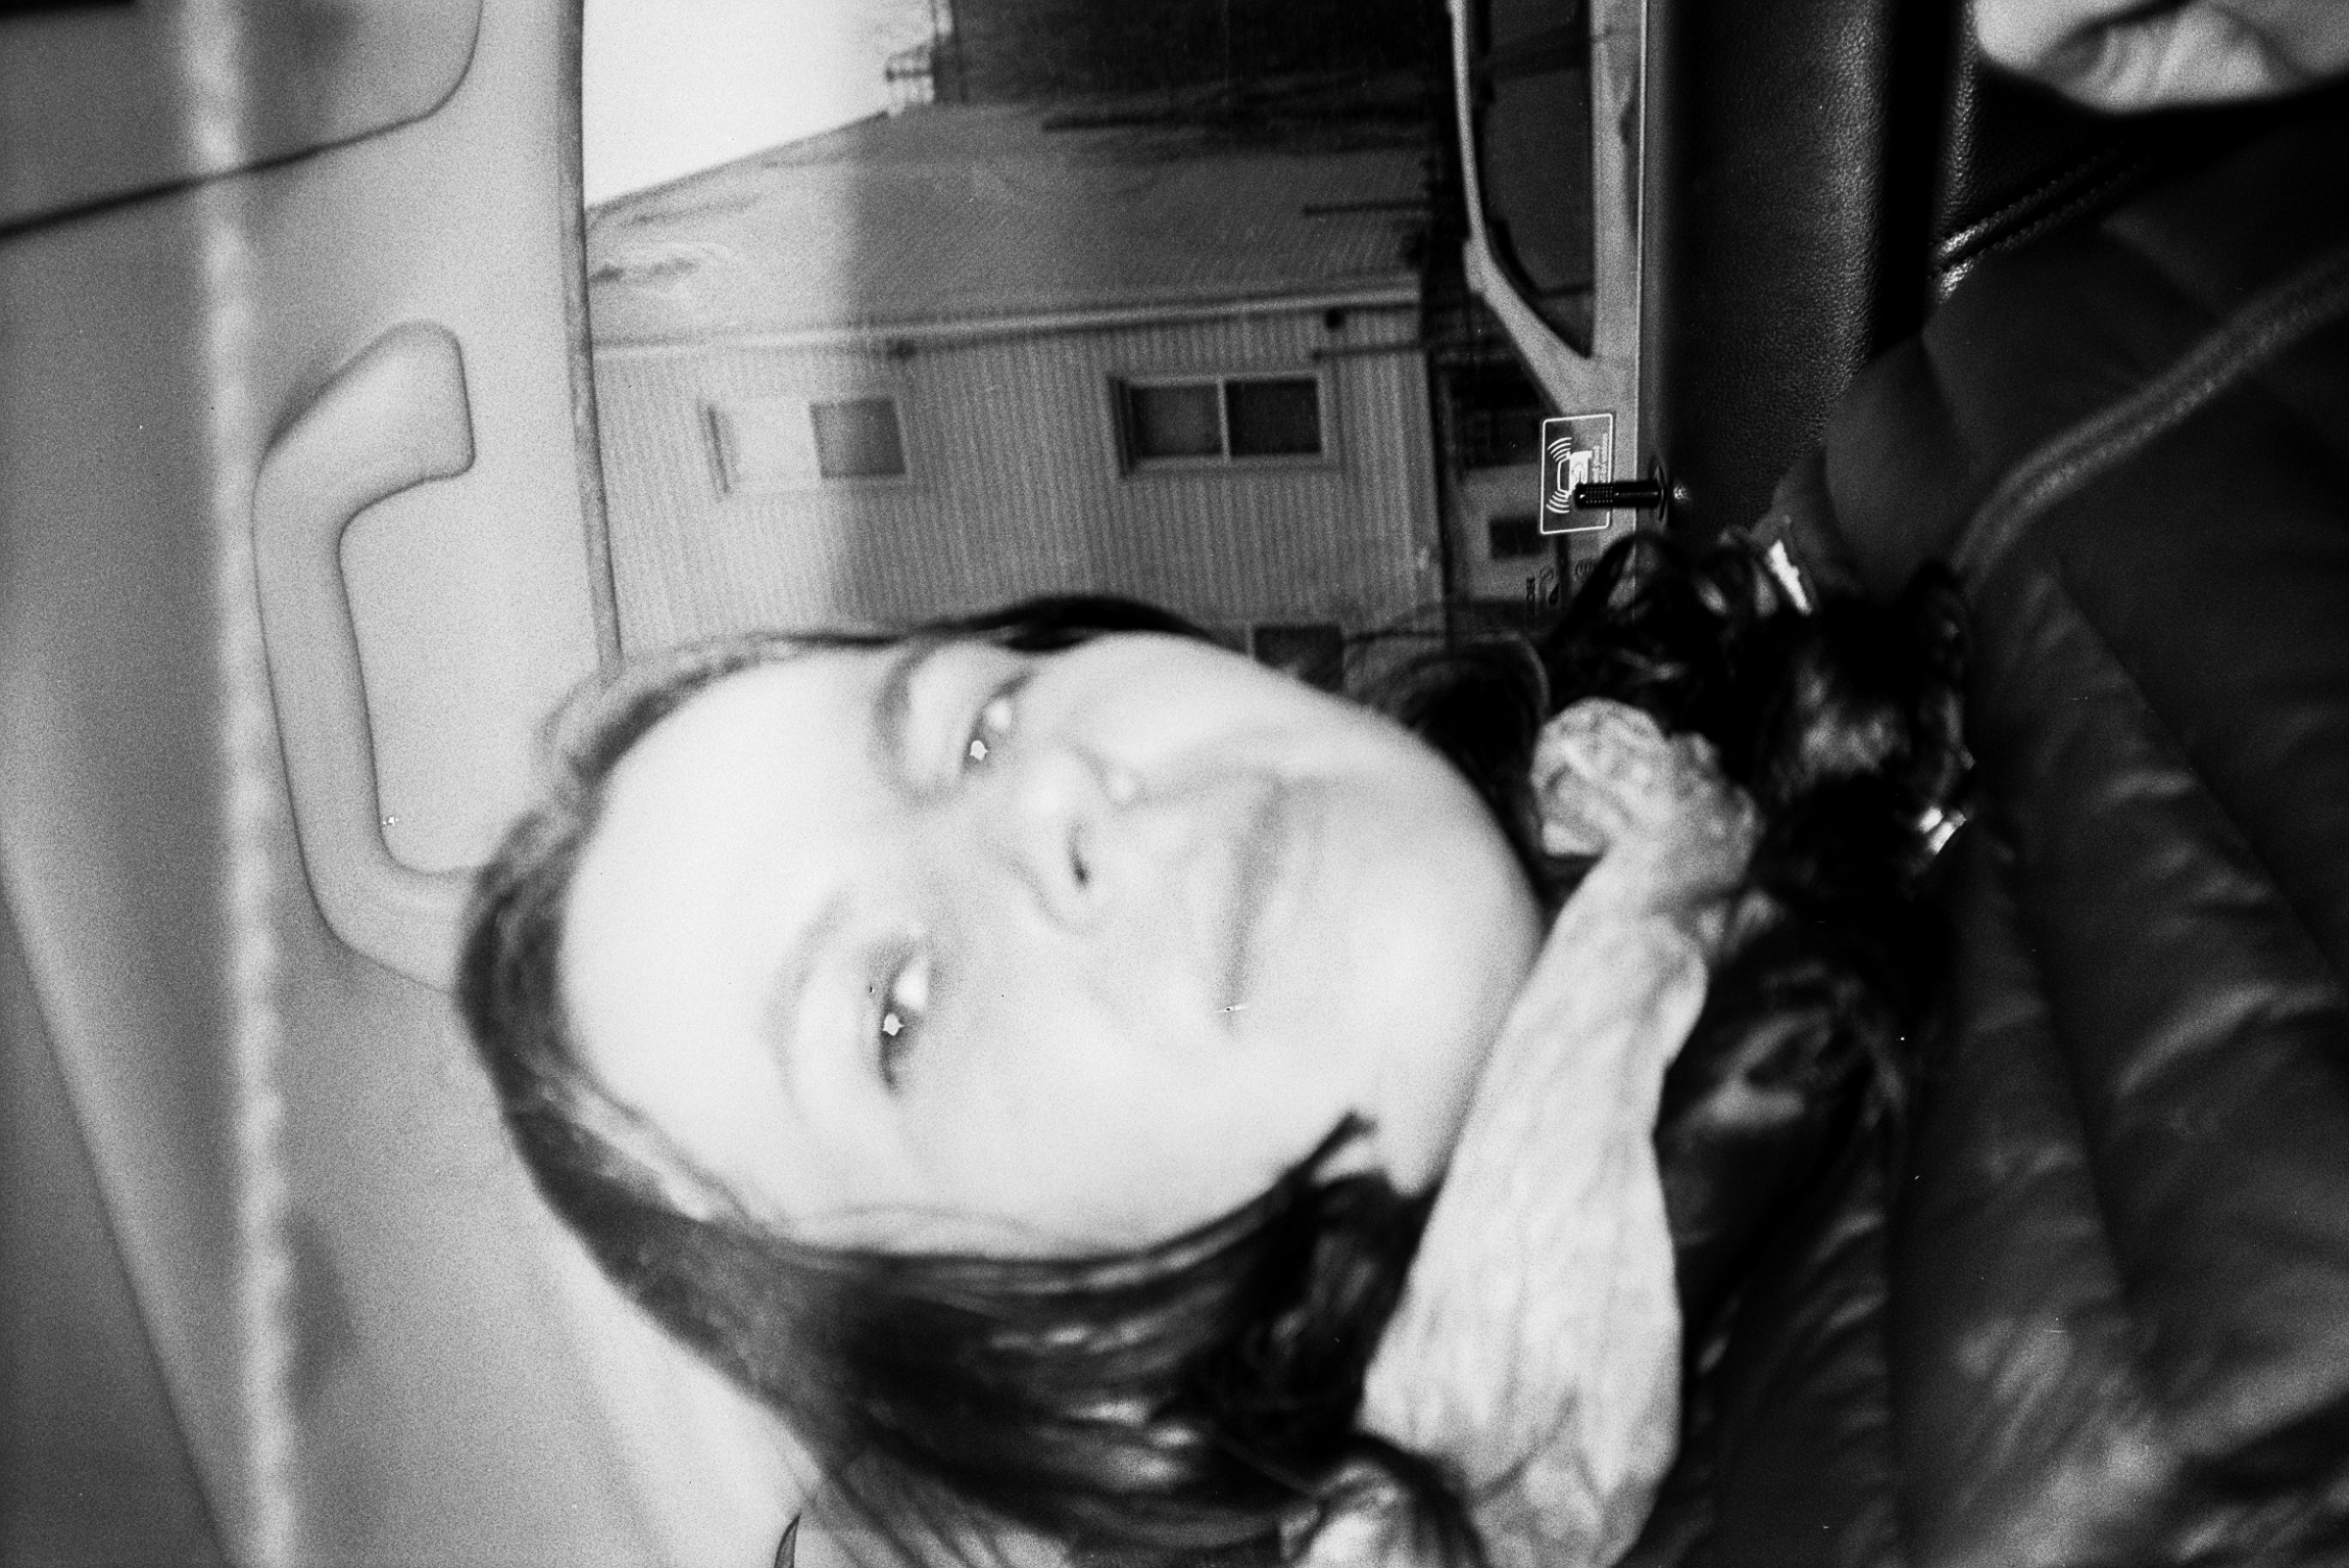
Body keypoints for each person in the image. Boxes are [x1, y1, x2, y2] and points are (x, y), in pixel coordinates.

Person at [457, 541, 1968, 1567]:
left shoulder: (1844, 567)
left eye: (974, 727)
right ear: (1041, 1375)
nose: (1047, 799)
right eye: (894, 1014)